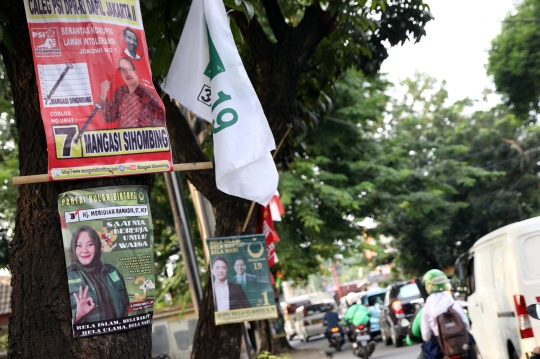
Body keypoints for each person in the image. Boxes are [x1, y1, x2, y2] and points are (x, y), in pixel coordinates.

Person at [67, 226, 129, 324]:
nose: (84, 250)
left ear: (97, 246)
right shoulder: (68, 276)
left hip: (119, 336)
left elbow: (126, 306)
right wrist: (78, 315)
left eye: (90, 244)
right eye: (79, 245)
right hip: (88, 339)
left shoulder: (112, 271)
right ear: (73, 248)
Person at [420, 269, 477, 359]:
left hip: (440, 345)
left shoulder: (428, 306)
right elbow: (466, 325)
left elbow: (426, 334)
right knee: (471, 343)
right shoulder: (452, 301)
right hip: (461, 342)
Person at [99, 57, 165, 128]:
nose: (127, 73)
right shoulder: (120, 92)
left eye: (130, 69)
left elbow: (159, 127)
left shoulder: (149, 97)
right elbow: (109, 117)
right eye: (123, 70)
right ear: (120, 74)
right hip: (123, 137)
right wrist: (103, 94)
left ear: (136, 72)